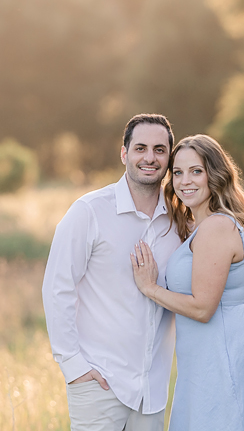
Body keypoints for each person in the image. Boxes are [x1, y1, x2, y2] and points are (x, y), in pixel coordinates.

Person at [42, 114, 183, 431]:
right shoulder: (89, 211)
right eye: (141, 148)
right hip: (99, 383)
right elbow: (57, 288)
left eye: (160, 150)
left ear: (169, 158)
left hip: (153, 391)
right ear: (124, 153)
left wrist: (234, 283)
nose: (150, 157)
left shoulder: (180, 220)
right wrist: (73, 365)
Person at [131, 134, 244, 431]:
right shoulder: (200, 226)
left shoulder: (216, 226)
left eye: (196, 171)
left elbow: (203, 308)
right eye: (178, 172)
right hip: (203, 356)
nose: (185, 181)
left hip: (219, 354)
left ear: (215, 174)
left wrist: (150, 288)